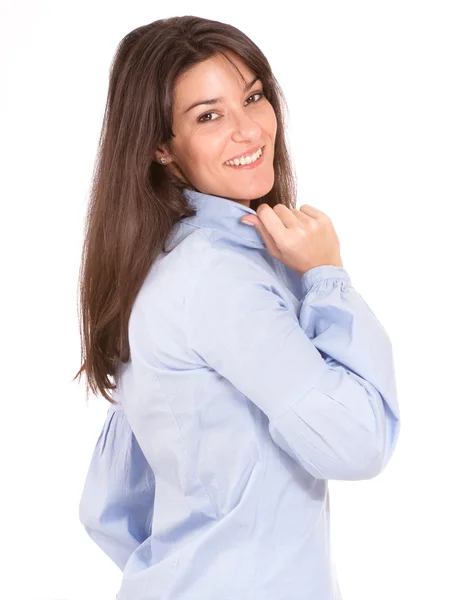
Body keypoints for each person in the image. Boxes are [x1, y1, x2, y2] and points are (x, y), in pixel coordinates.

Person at [75, 15, 400, 600]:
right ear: (160, 146)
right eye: (208, 115)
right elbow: (360, 441)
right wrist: (328, 277)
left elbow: (110, 507)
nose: (250, 130)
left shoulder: (162, 262)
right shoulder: (217, 278)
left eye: (253, 97)